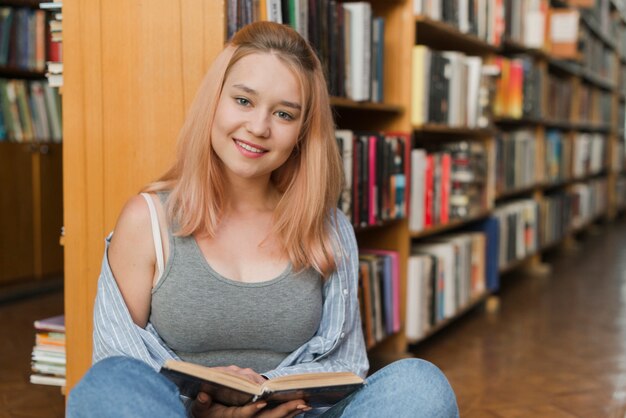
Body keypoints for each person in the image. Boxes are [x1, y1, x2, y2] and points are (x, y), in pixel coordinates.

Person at [66, 21, 459, 418]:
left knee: (420, 385)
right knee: (107, 385)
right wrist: (207, 407)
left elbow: (345, 365)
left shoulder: (328, 229)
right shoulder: (146, 219)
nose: (258, 127)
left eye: (284, 114)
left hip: (296, 416)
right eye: (243, 101)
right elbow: (119, 357)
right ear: (214, 102)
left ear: (302, 133)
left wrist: (266, 397)